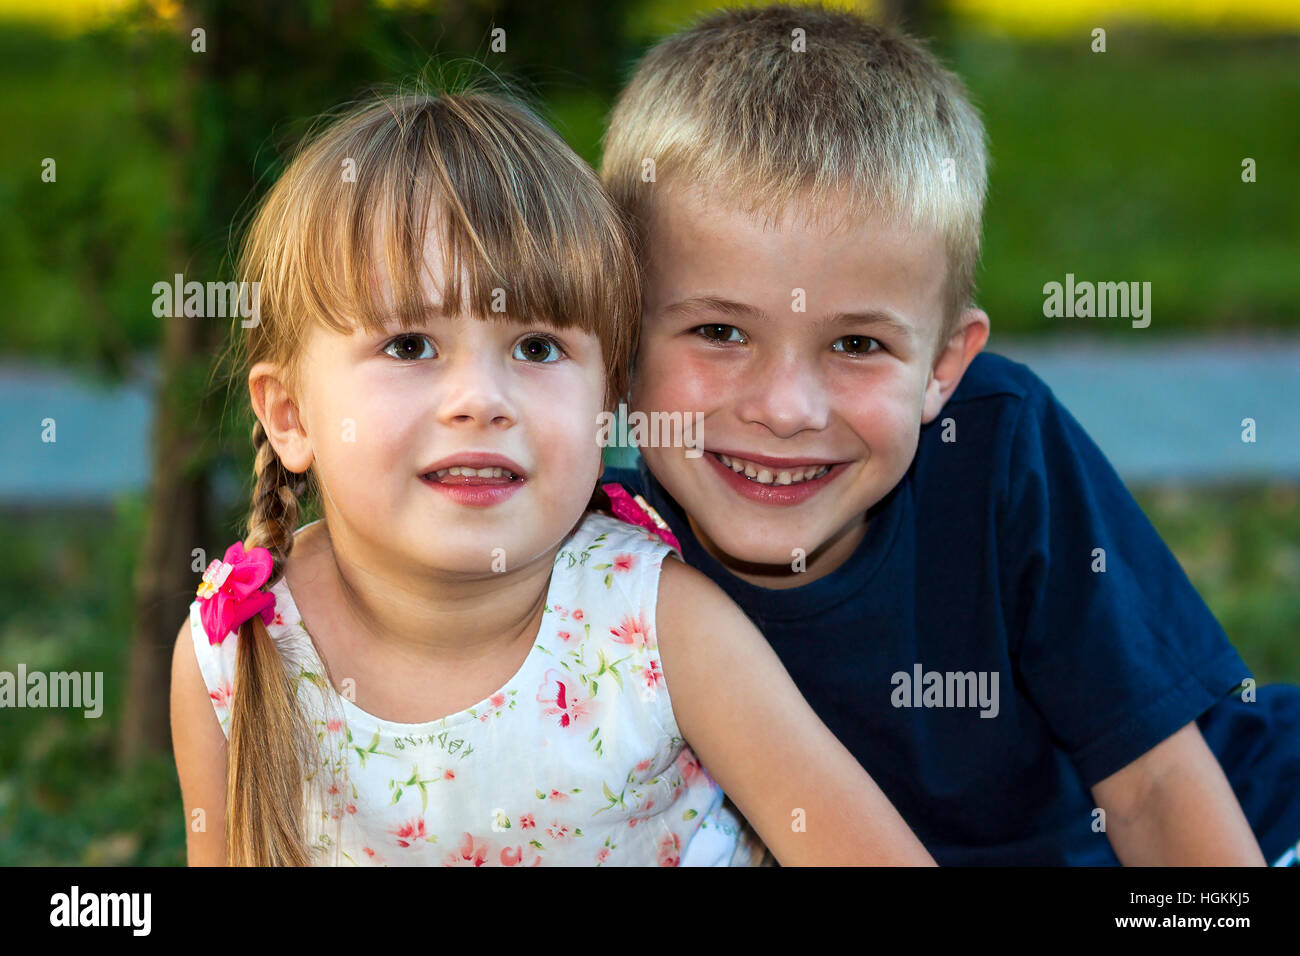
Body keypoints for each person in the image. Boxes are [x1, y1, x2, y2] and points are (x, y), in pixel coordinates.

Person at [599, 4, 1300, 866]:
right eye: (719, 332)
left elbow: (1156, 793)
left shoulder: (997, 451)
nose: (786, 410)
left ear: (942, 367)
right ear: (620, 337)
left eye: (857, 345)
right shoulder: (602, 562)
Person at [168, 83, 934, 867]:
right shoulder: (238, 654)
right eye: (409, 347)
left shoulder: (658, 629)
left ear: (608, 403)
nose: (480, 401)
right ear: (290, 414)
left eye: (536, 348)